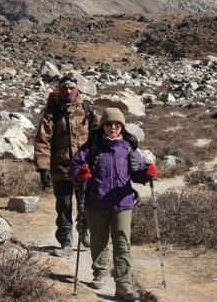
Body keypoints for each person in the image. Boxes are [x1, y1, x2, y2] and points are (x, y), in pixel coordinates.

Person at [70, 107, 158, 301]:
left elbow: (138, 172)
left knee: (122, 243)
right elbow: (75, 167)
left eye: (117, 124)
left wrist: (147, 173)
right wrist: (79, 175)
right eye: (109, 124)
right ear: (103, 126)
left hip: (122, 203)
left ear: (122, 127)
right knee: (98, 241)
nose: (113, 127)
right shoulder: (91, 148)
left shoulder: (128, 148)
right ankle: (99, 271)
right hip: (96, 203)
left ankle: (123, 284)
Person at [34, 75, 101, 258]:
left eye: (71, 88)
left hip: (83, 168)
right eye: (64, 88)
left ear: (77, 89)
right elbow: (43, 140)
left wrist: (99, 162)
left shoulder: (87, 109)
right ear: (59, 89)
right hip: (60, 168)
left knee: (86, 202)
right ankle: (65, 242)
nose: (68, 91)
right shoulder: (52, 112)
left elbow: (98, 137)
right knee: (63, 205)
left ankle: (84, 228)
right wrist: (43, 168)